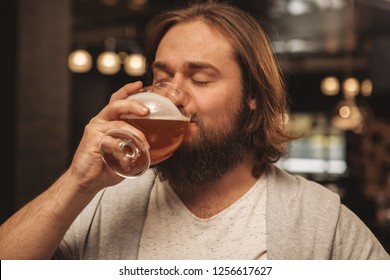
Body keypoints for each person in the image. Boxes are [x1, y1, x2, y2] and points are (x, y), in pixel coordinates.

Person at [0, 0, 389, 260]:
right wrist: (77, 182)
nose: (175, 97)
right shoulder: (103, 201)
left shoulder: (319, 219)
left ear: (252, 94)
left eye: (200, 79)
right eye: (162, 77)